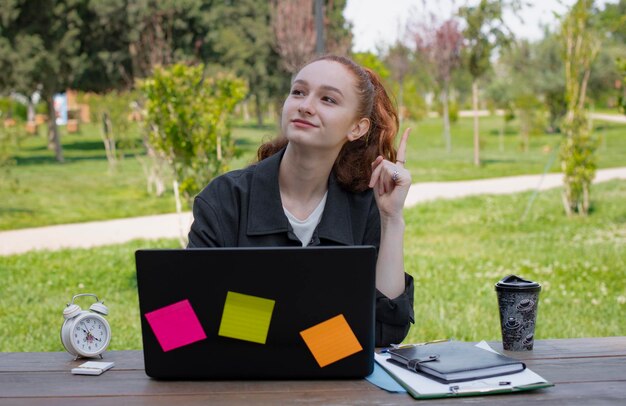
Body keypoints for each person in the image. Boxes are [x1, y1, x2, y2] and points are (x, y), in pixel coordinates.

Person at [188, 55, 414, 346]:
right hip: (240, 382)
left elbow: (386, 329)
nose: (305, 106)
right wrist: (321, 329)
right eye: (298, 92)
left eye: (328, 100)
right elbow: (184, 322)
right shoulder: (224, 199)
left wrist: (391, 219)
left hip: (337, 386)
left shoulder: (365, 205)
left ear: (357, 128)